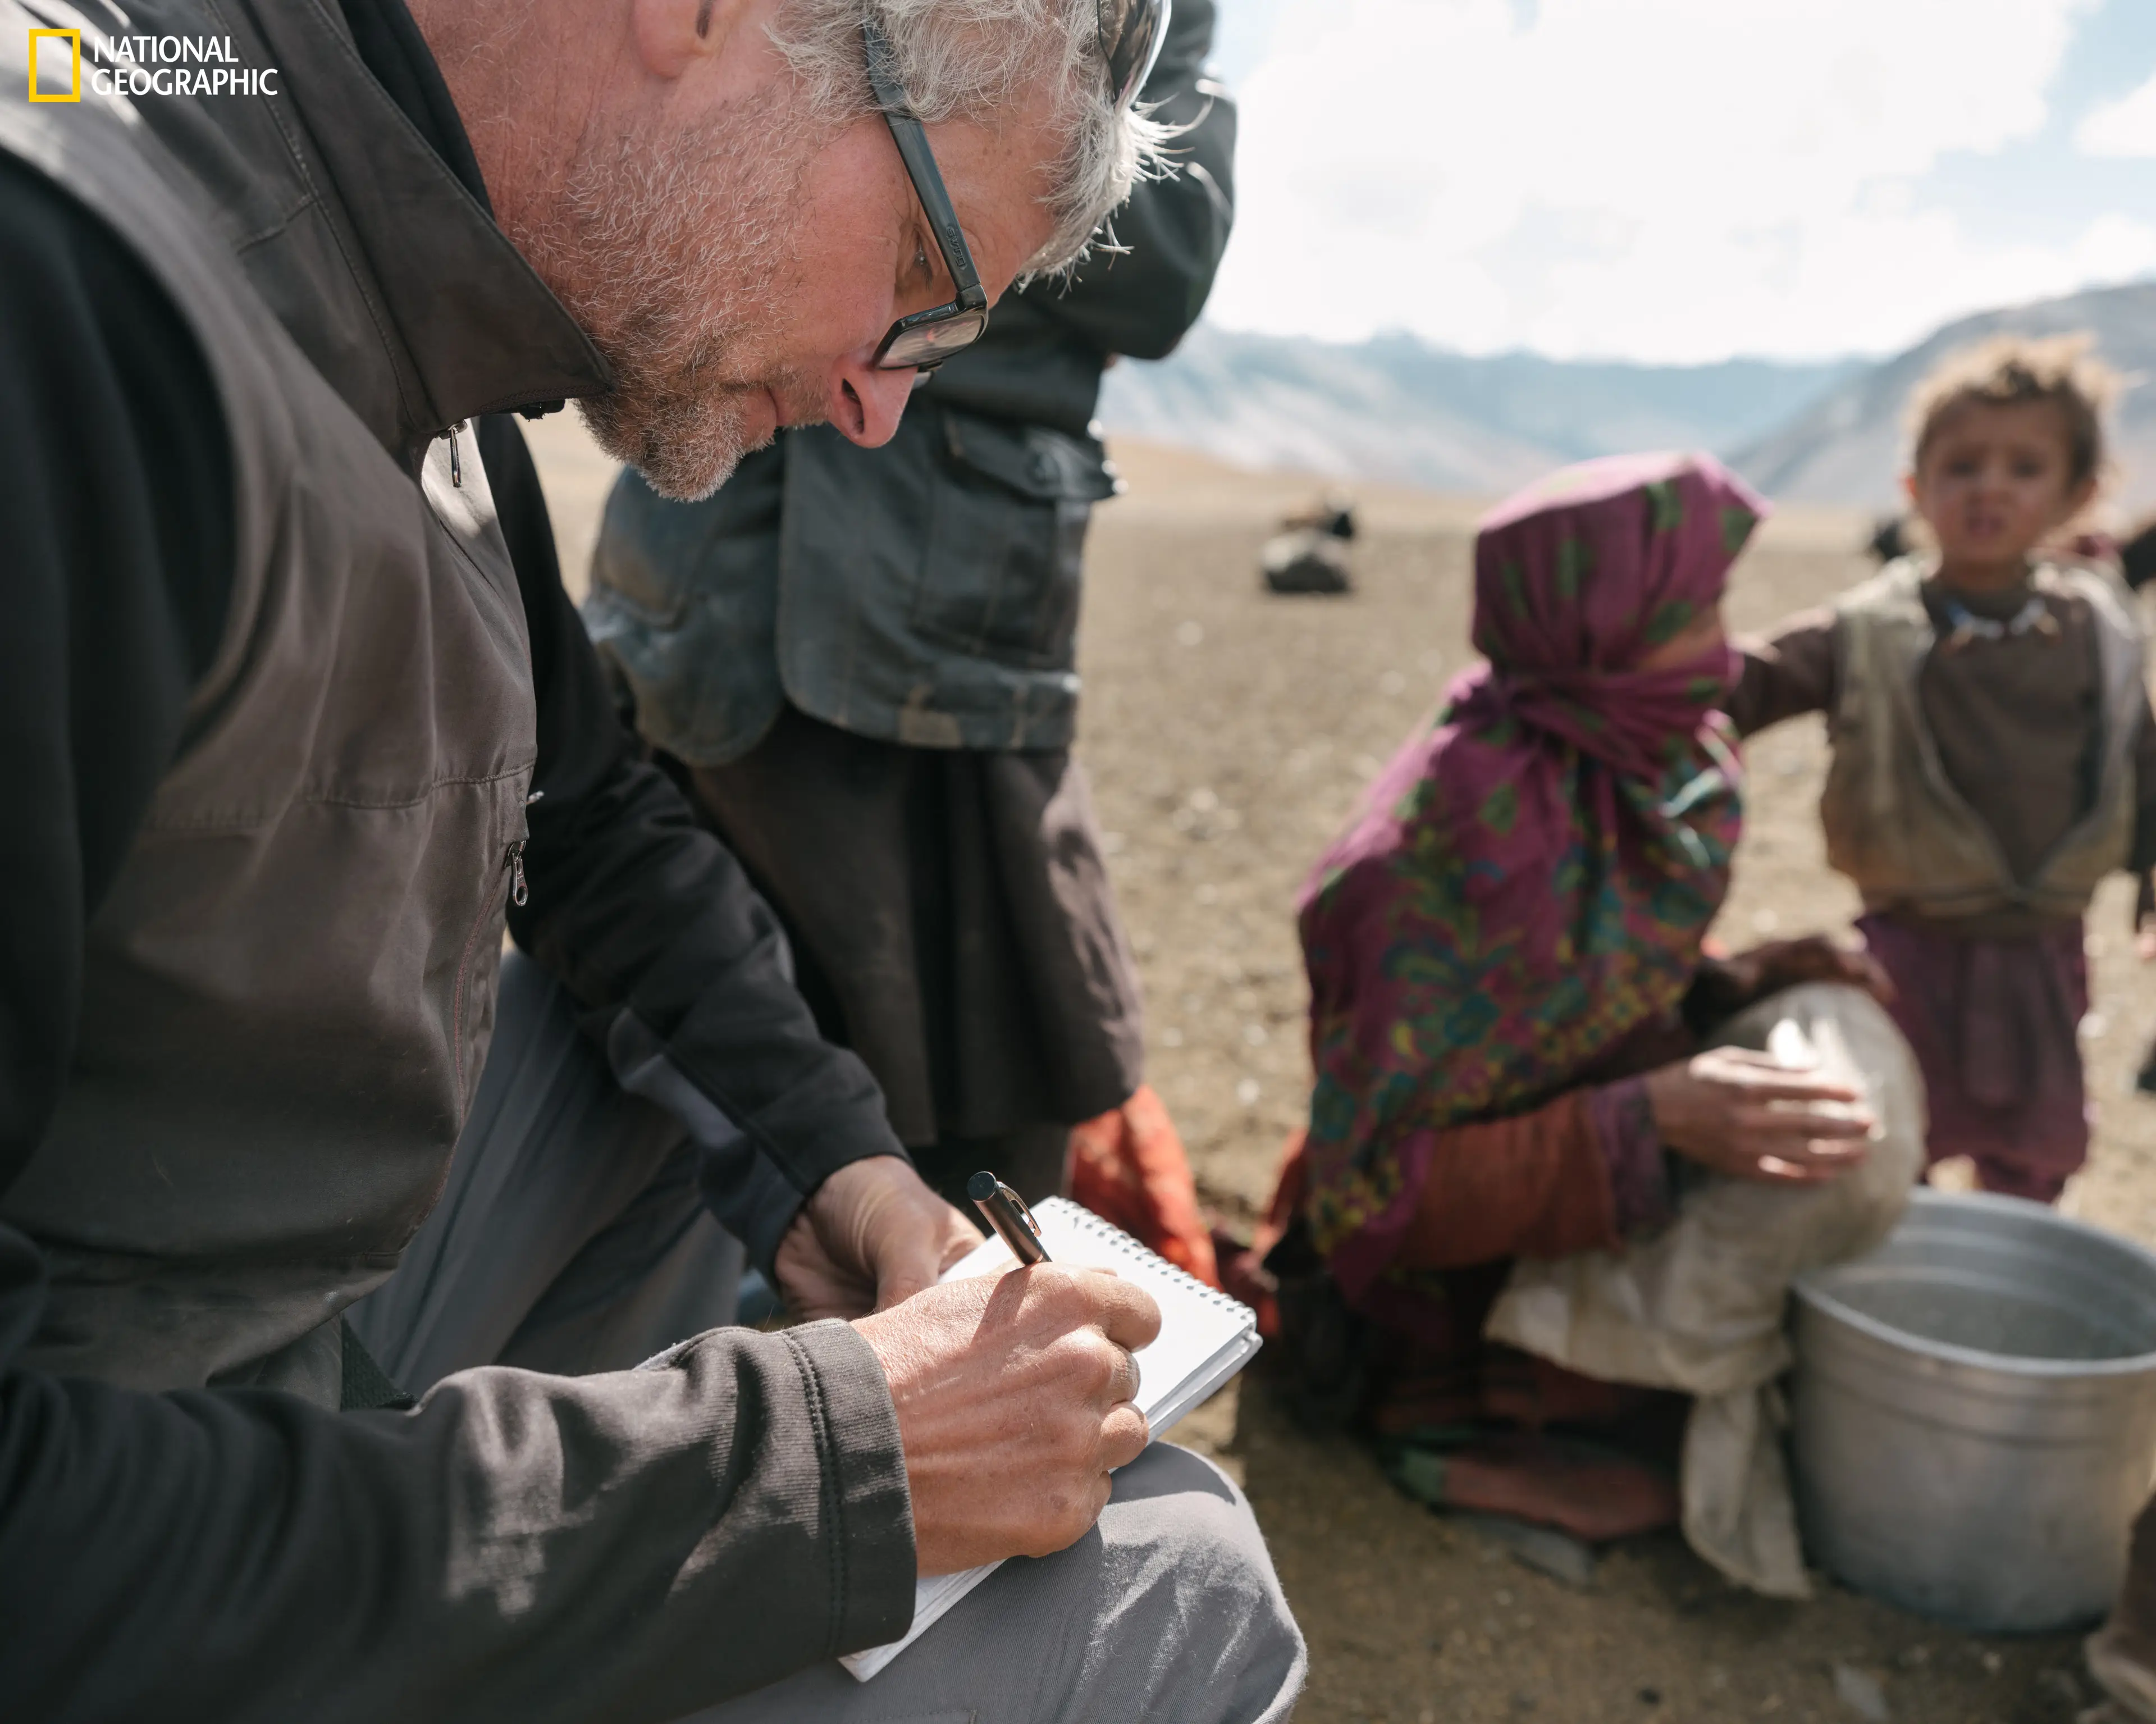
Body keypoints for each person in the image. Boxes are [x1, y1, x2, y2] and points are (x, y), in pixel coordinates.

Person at [0, 1, 1303, 1718]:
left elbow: (590, 817)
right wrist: (820, 1464)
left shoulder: (399, 295)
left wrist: (843, 1168)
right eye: (918, 263)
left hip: (228, 1364)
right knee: (1181, 1585)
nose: (875, 407)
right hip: (101, 1525)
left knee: (664, 1103)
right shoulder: (79, 308)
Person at [582, 0, 1235, 1245]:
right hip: (699, 546)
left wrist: (948, 156)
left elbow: (1170, 263)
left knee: (973, 1107)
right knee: (644, 1008)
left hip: (954, 611)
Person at [1240, 453, 1922, 1595]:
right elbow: (1370, 1192)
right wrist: (1647, 1116)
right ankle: (1472, 1417)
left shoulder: (1636, 766)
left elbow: (1586, 995)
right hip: (1433, 1279)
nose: (1721, 651)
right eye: (1691, 612)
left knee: (1829, 1024)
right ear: (1595, 627)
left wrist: (1738, 980)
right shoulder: (1425, 862)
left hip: (1575, 1169)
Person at [1729, 335, 2156, 1204]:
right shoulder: (1868, 630)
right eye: (1962, 464)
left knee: (2035, 1149)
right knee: (1889, 1134)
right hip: (1905, 944)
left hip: (2042, 947)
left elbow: (2140, 761)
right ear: (1915, 488)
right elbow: (1746, 687)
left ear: (2078, 495)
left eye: (2023, 466)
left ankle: (2001, 1277)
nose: (1989, 485)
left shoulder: (2099, 634)